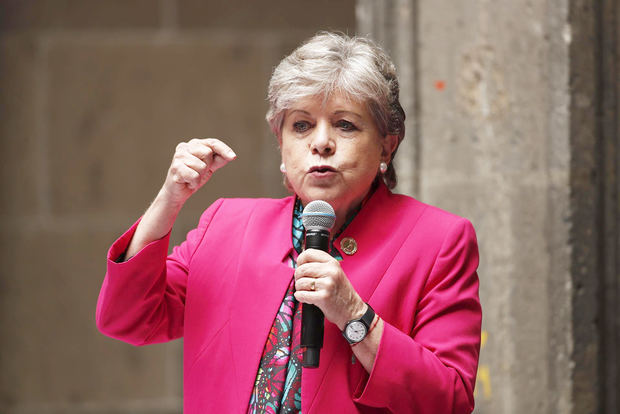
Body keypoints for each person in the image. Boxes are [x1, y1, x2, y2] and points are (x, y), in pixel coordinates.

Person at [96, 32, 482, 414]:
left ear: (387, 144)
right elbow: (128, 320)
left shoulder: (439, 240)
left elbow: (449, 400)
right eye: (301, 125)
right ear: (280, 142)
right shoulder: (226, 224)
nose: (321, 143)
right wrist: (170, 198)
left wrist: (353, 315)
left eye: (345, 124)